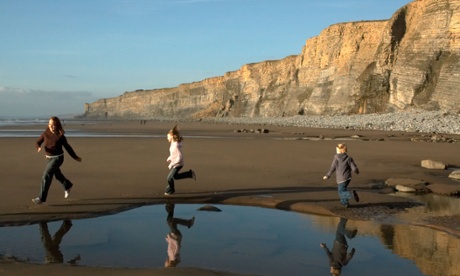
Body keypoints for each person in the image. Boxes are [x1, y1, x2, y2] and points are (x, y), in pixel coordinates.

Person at [32, 116, 82, 204]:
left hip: (58, 158)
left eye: (54, 125)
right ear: (48, 125)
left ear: (57, 125)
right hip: (48, 159)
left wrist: (75, 157)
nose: (52, 126)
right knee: (57, 175)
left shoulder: (60, 136)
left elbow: (67, 147)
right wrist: (38, 147)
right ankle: (67, 185)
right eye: (50, 124)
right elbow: (37, 142)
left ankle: (41, 198)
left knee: (46, 175)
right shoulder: (45, 134)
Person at [323, 143, 359, 208]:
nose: (336, 151)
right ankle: (344, 203)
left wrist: (327, 175)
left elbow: (332, 168)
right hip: (348, 178)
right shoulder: (349, 158)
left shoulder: (336, 158)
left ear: (341, 150)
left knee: (341, 192)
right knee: (343, 190)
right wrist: (356, 171)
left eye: (337, 150)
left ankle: (351, 194)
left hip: (341, 179)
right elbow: (354, 168)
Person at [164, 125, 196, 195]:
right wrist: (170, 158)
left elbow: (180, 157)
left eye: (167, 137)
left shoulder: (175, 146)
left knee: (169, 177)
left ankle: (170, 190)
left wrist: (171, 164)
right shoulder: (173, 144)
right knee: (175, 176)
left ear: (172, 136)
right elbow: (174, 154)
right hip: (176, 163)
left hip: (178, 164)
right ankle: (189, 174)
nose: (167, 138)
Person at [164, 203, 195, 267]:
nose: (164, 263)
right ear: (169, 265)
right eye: (165, 265)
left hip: (175, 235)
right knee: (171, 221)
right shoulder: (173, 257)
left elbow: (172, 245)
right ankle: (188, 223)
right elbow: (177, 244)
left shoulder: (171, 256)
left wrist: (168, 240)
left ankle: (170, 207)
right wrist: (170, 238)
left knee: (170, 220)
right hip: (176, 235)